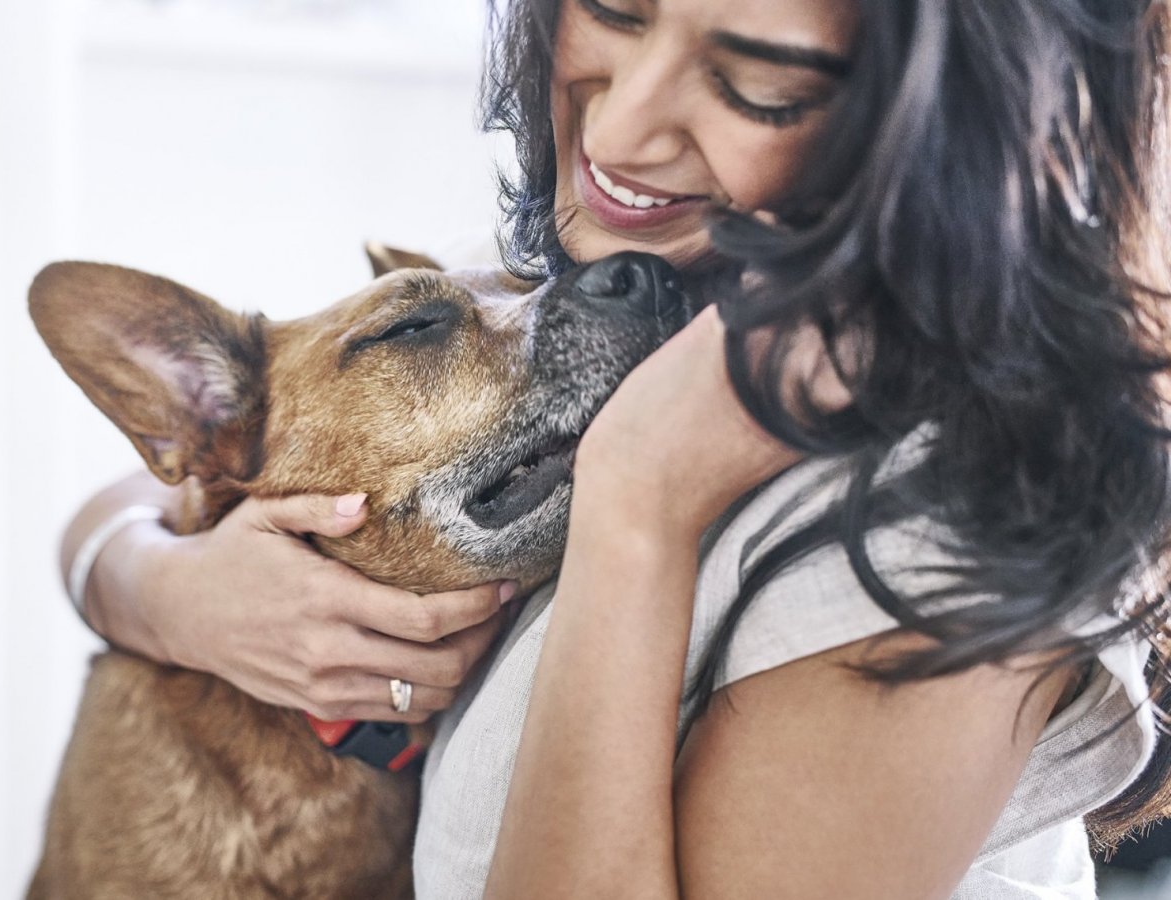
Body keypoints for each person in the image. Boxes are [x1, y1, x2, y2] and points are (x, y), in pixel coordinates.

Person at [59, 0, 1171, 895]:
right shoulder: (622, 287)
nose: (622, 131)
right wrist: (165, 586)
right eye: (613, 9)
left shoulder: (929, 539)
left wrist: (639, 507)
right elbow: (174, 485)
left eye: (757, 83)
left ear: (929, 134)